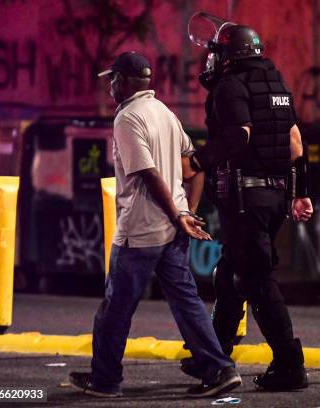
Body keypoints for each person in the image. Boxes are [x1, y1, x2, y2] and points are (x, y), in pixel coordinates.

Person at [67, 51, 241, 398]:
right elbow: (196, 165)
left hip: (142, 231)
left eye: (113, 79)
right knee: (186, 301)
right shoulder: (165, 113)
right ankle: (219, 369)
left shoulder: (128, 118)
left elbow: (148, 175)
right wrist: (186, 211)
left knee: (115, 308)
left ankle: (105, 380)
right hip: (172, 230)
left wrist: (180, 215)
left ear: (129, 82)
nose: (110, 86)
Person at [183, 17, 313, 391]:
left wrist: (197, 162)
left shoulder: (230, 86)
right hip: (275, 198)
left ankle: (289, 364)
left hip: (246, 198)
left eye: (218, 53)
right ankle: (213, 354)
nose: (213, 60)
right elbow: (295, 143)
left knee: (256, 279)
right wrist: (301, 193)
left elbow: (240, 137)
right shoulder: (276, 84)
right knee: (229, 274)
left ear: (230, 55)